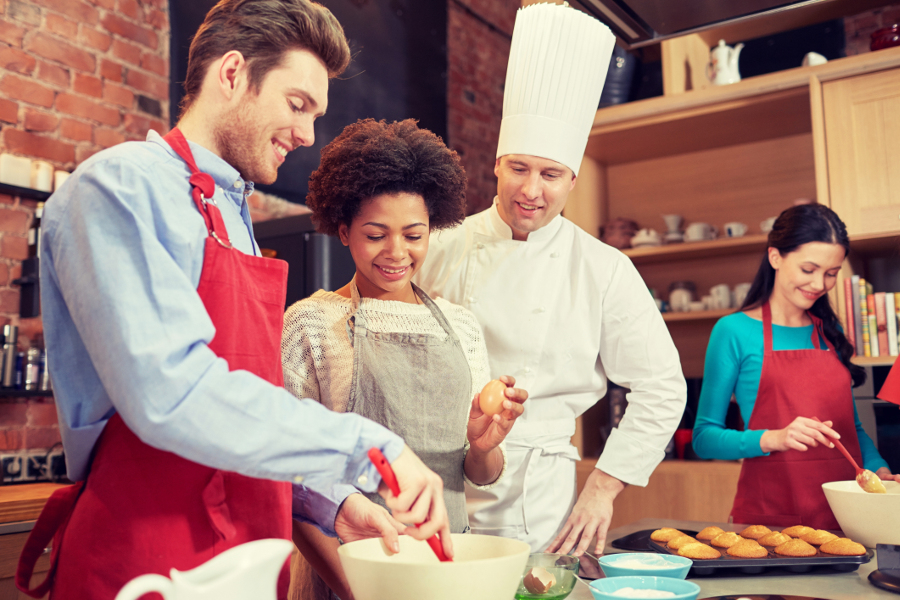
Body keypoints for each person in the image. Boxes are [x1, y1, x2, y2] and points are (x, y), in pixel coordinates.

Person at [16, 3, 450, 599]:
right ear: (231, 74)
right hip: (148, 558)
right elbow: (173, 393)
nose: (307, 135)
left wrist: (328, 501)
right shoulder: (118, 187)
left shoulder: (231, 214)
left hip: (246, 553)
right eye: (298, 105)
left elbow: (247, 413)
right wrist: (369, 446)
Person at [414, 3, 687, 556]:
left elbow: (662, 387)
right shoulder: (439, 245)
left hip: (541, 494)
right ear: (496, 163)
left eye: (550, 174)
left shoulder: (604, 268)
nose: (531, 190)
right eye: (519, 168)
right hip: (433, 480)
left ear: (572, 179)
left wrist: (604, 488)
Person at [282, 118, 527, 600]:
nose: (397, 252)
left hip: (446, 570)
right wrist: (360, 589)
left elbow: (477, 475)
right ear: (344, 230)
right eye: (376, 234)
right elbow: (286, 477)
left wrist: (481, 445)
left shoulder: (460, 327)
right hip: (341, 574)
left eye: (414, 235)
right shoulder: (310, 322)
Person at [693, 204, 899, 529]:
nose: (820, 284)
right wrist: (774, 438)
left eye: (831, 273)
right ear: (775, 257)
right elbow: (703, 438)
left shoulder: (830, 332)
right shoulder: (733, 331)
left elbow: (851, 431)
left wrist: (879, 470)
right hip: (771, 519)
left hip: (846, 517)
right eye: (809, 269)